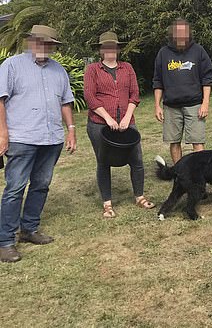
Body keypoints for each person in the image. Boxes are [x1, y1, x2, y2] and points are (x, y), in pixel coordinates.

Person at [0, 25, 76, 263]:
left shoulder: (59, 70)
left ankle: (29, 229)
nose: (45, 46)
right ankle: (5, 241)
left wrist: (71, 130)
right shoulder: (11, 66)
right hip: (22, 138)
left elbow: (66, 102)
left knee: (41, 185)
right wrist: (3, 134)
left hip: (51, 138)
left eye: (49, 43)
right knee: (14, 189)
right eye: (40, 42)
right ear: (31, 41)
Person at [84, 31, 155, 218]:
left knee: (137, 160)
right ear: (100, 50)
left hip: (126, 121)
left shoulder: (127, 68)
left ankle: (139, 196)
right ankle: (107, 203)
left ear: (118, 49)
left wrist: (126, 117)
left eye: (113, 47)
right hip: (99, 123)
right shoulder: (92, 69)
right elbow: (90, 97)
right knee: (103, 161)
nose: (110, 50)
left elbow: (134, 94)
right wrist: (107, 118)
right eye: (106, 47)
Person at [153, 19, 212, 163]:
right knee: (174, 142)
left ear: (189, 34)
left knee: (197, 141)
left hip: (195, 105)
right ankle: (179, 173)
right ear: (172, 35)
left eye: (184, 32)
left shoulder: (198, 51)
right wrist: (157, 105)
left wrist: (205, 103)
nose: (181, 36)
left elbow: (208, 78)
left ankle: (199, 175)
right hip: (171, 106)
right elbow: (157, 80)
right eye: (178, 33)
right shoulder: (163, 53)